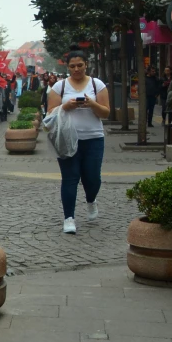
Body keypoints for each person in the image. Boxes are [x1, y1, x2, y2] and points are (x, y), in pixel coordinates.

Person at [46, 50, 110, 234]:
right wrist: (65, 106)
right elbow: (50, 113)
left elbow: (106, 112)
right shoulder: (60, 87)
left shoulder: (97, 85)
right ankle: (69, 218)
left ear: (86, 65)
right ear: (67, 67)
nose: (76, 69)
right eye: (72, 66)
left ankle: (91, 200)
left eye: (79, 65)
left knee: (92, 178)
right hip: (66, 139)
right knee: (70, 178)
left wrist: (92, 104)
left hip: (93, 138)